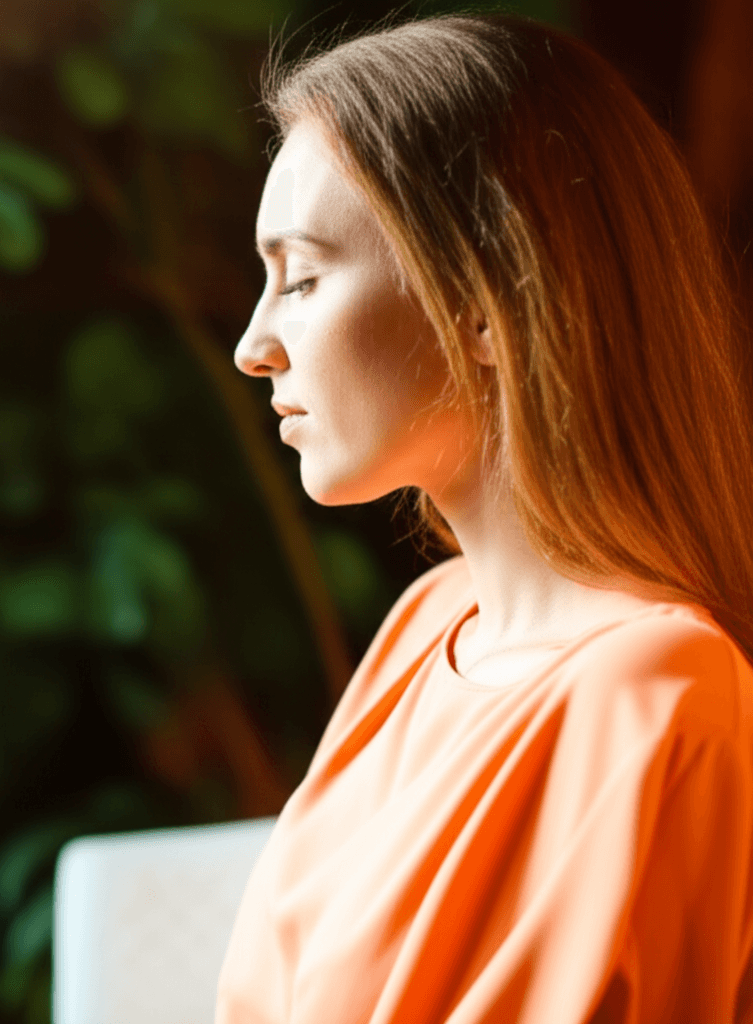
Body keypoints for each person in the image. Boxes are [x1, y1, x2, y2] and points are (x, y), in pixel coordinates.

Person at [219, 12, 753, 1024]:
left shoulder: (655, 696)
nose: (254, 344)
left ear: (482, 298)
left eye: (301, 278)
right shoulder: (426, 627)